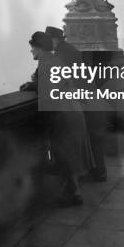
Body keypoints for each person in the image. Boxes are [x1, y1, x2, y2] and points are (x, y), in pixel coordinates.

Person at [26, 31, 93, 206]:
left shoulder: (46, 64)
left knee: (64, 155)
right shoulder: (55, 61)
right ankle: (74, 192)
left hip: (63, 115)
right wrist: (34, 85)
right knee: (69, 155)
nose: (31, 51)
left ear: (39, 48)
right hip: (73, 111)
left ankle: (74, 193)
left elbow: (49, 95)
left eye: (32, 48)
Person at [45, 26, 108, 182]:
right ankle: (98, 172)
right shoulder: (68, 50)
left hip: (86, 100)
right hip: (91, 98)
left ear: (55, 39)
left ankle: (98, 173)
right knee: (93, 138)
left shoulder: (62, 53)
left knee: (90, 137)